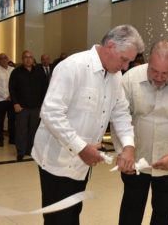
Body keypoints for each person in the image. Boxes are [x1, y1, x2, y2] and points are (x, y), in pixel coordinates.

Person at [32, 24, 145, 225]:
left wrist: (128, 146)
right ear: (111, 46)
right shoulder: (72, 66)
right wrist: (81, 148)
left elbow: (120, 112)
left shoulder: (115, 76)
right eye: (124, 60)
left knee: (73, 213)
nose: (126, 67)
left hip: (83, 163)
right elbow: (50, 113)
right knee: (59, 220)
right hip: (57, 162)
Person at [114, 40, 168, 225]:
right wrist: (124, 150)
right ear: (148, 61)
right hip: (135, 160)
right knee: (131, 210)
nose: (159, 77)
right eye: (154, 71)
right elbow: (119, 116)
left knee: (163, 213)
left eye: (166, 73)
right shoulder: (130, 78)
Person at [9, 50, 47, 161]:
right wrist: (15, 103)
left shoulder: (39, 72)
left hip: (36, 107)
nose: (28, 59)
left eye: (30, 57)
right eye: (25, 57)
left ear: (33, 59)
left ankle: (30, 150)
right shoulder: (16, 72)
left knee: (33, 130)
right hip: (21, 107)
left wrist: (43, 105)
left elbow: (45, 88)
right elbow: (12, 89)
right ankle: (20, 151)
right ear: (22, 59)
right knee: (21, 130)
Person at [0, 53, 15, 147]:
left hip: (12, 99)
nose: (4, 60)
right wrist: (6, 96)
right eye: (1, 58)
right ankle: (0, 139)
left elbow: (15, 84)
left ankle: (12, 138)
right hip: (0, 99)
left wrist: (11, 96)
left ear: (8, 59)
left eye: (5, 58)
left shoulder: (13, 70)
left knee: (12, 120)